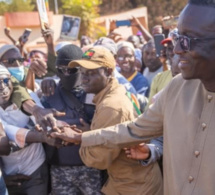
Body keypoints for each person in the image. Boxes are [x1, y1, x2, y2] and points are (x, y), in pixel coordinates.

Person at [50, 1, 215, 194]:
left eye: (187, 41)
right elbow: (133, 130)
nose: (177, 50)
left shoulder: (114, 104)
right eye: (177, 38)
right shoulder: (176, 88)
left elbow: (99, 159)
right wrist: (81, 137)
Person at [68, 46, 163, 195]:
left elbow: (98, 160)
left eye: (91, 72)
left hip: (134, 186)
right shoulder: (113, 92)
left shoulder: (111, 106)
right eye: (82, 72)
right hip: (130, 181)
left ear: (109, 72)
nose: (84, 78)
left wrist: (79, 139)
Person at [41, 44, 101, 195]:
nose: (67, 74)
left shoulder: (95, 91)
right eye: (61, 69)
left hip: (90, 167)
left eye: (72, 70)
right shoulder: (50, 92)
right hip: (60, 169)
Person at [0, 65, 61, 195]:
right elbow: (7, 131)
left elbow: (44, 121)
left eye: (5, 81)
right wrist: (41, 137)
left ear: (12, 82)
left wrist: (57, 128)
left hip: (35, 168)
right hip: (7, 173)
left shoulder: (28, 97)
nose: (2, 87)